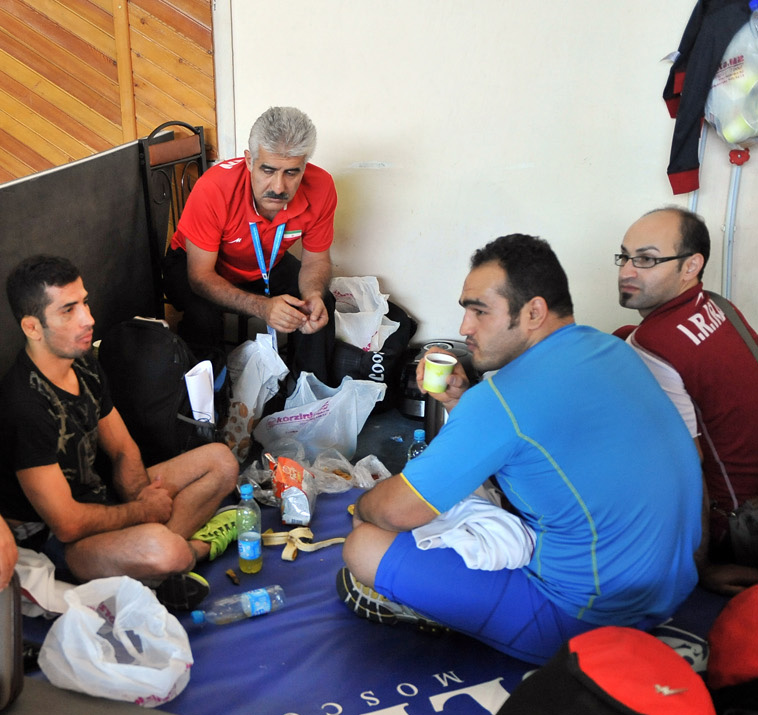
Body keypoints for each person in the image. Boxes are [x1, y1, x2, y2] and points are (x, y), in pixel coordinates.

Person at [337, 234, 702, 666]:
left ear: (533, 312)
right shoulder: (610, 349)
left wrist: (362, 506)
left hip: (588, 619)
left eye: (479, 311)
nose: (464, 327)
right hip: (674, 589)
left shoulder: (503, 401)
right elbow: (537, 445)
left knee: (364, 544)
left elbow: (395, 511)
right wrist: (461, 402)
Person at [0, 255, 240, 609]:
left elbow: (124, 449)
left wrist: (142, 497)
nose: (88, 319)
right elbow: (66, 524)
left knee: (221, 461)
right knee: (168, 550)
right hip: (62, 544)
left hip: (102, 500)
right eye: (68, 310)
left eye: (84, 302)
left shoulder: (82, 363)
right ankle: (195, 550)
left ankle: (145, 566)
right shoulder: (24, 406)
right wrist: (142, 513)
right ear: (32, 328)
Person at [615, 206, 758, 595]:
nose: (626, 271)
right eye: (624, 256)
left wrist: (699, 567)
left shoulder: (651, 346)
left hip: (737, 529)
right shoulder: (719, 305)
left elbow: (684, 466)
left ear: (691, 266)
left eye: (646, 260)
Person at [163, 106, 337, 390]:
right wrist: (263, 307)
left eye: (291, 172)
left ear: (304, 167)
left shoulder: (322, 186)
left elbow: (316, 262)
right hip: (196, 265)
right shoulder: (214, 187)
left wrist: (312, 295)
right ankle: (209, 404)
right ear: (249, 161)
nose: (278, 187)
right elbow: (200, 277)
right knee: (203, 316)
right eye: (268, 170)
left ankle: (308, 396)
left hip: (264, 261)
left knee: (319, 303)